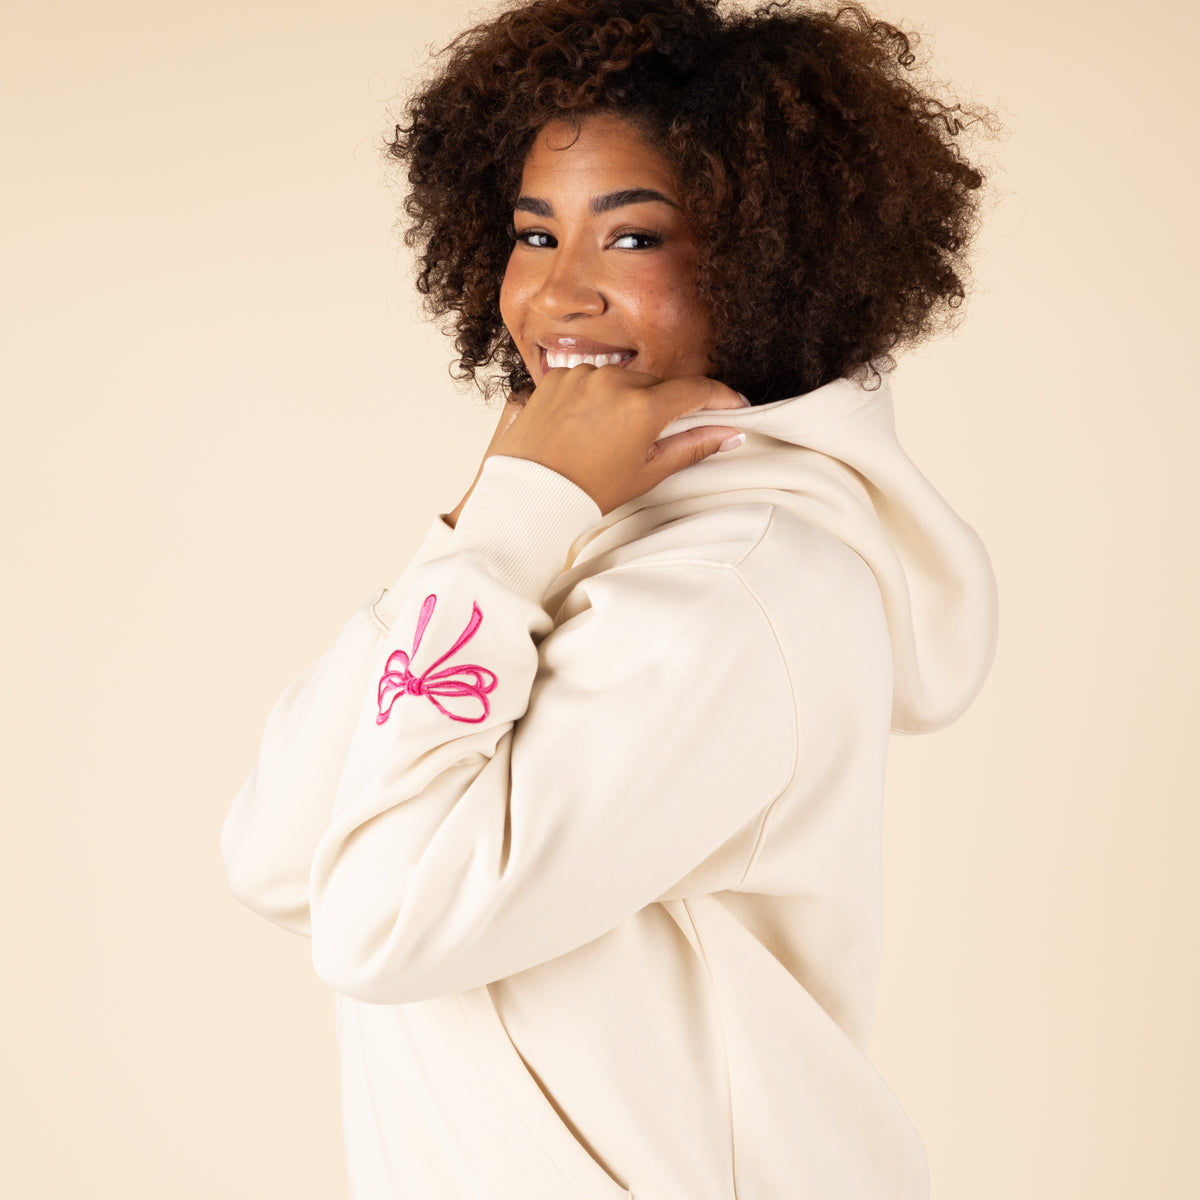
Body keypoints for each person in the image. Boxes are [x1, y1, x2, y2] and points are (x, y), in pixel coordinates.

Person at [220, 1, 998, 1196]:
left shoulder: (736, 588)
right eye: (535, 235)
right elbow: (279, 860)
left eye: (633, 240)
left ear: (771, 252)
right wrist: (495, 519)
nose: (557, 295)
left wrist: (518, 521)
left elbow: (377, 926)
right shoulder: (565, 534)